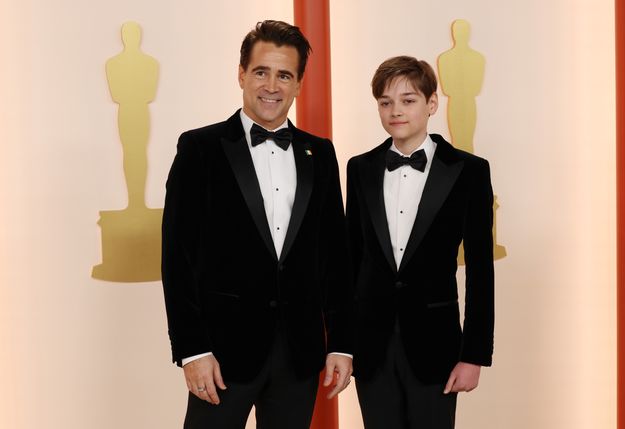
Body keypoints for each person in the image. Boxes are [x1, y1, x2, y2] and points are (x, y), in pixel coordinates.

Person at [162, 20, 353, 429]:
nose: (272, 86)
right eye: (261, 71)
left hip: (300, 355)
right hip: (221, 356)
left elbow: (334, 257)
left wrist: (341, 343)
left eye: (284, 75)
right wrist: (192, 350)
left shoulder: (320, 154)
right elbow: (177, 256)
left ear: (299, 83)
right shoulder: (200, 148)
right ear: (241, 74)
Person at [346, 56, 494, 429]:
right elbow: (352, 260)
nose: (395, 111)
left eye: (408, 100)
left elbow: (480, 269)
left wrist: (473, 355)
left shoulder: (469, 171)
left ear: (431, 104)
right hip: (371, 347)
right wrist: (342, 344)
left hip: (437, 347)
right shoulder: (359, 168)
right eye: (385, 102)